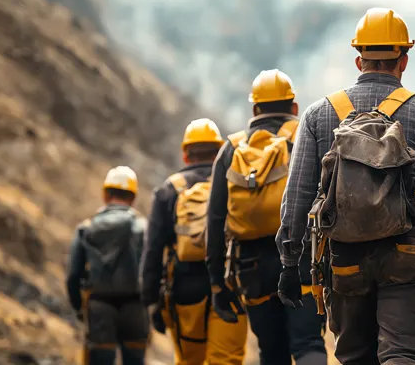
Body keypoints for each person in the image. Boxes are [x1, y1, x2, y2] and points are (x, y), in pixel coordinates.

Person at [276, 7, 415, 365]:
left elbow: (298, 195)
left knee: (355, 358)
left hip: (344, 260)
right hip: (405, 256)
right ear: (404, 60)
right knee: (402, 355)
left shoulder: (319, 114)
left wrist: (289, 262)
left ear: (358, 59)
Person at [206, 69, 328, 365]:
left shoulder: (231, 149)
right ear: (294, 108)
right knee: (308, 341)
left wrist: (217, 282)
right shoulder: (305, 135)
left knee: (271, 353)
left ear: (255, 108)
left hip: (251, 267)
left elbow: (215, 219)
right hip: (301, 259)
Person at [139, 118, 248, 365]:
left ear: (186, 155)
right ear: (220, 151)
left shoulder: (168, 191)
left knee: (190, 361)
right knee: (226, 360)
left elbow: (153, 250)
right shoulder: (234, 182)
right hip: (232, 283)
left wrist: (151, 301)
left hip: (185, 288)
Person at [66, 166, 149, 365]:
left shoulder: (86, 228)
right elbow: (152, 269)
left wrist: (79, 307)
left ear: (105, 194)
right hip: (136, 308)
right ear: (133, 197)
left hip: (99, 308)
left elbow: (73, 275)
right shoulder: (143, 228)